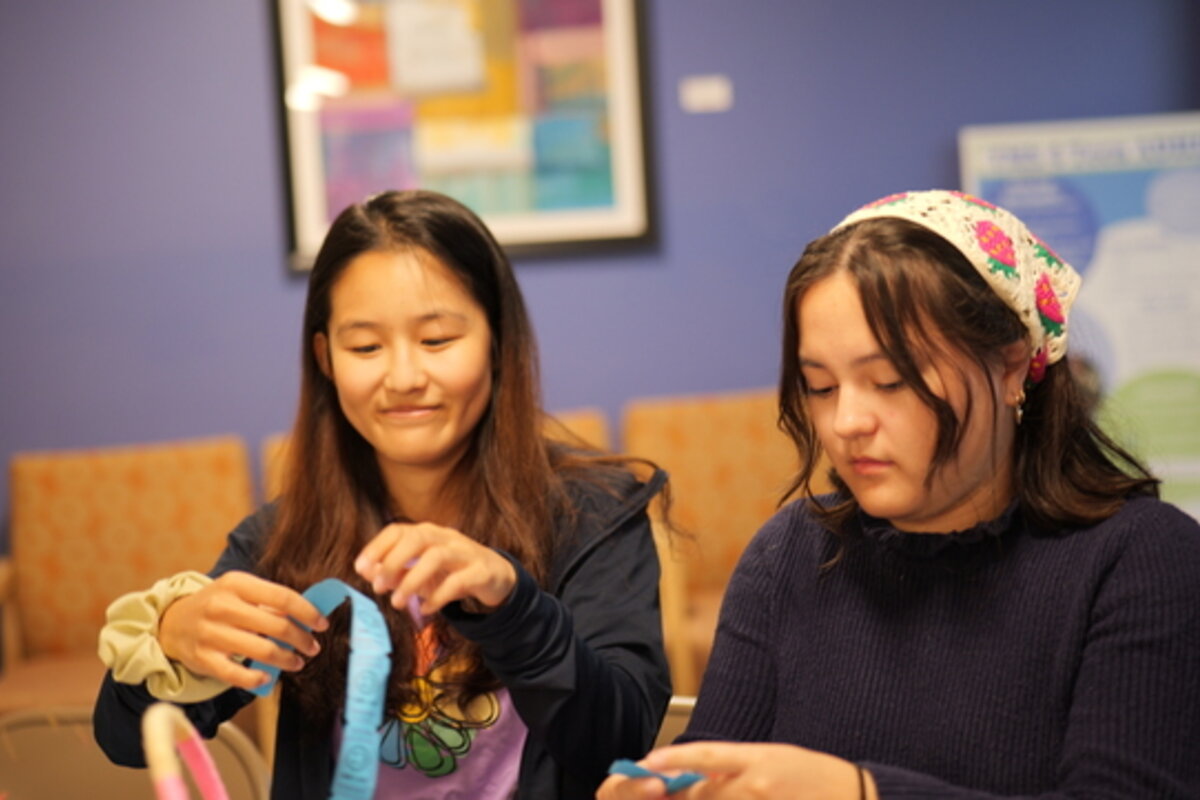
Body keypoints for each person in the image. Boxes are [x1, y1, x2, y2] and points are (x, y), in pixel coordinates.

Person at [599, 189, 1200, 799]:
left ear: (1013, 366)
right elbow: (716, 767)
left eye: (889, 381)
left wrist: (860, 792)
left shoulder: (1142, 559)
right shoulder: (789, 555)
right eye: (821, 387)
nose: (846, 422)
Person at [93, 189, 672, 799]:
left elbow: (620, 739)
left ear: (497, 343)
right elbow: (124, 738)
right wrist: (174, 637)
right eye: (366, 347)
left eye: (438, 339)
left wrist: (513, 607)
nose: (403, 379)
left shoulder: (595, 517)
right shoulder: (285, 542)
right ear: (326, 358)